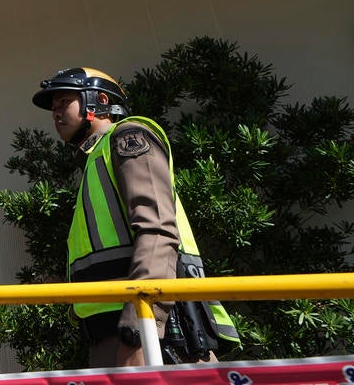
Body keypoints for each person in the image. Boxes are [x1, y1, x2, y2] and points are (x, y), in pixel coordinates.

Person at [31, 67, 237, 368]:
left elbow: (158, 231)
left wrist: (139, 329)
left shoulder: (129, 137)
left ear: (99, 101)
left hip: (153, 330)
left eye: (64, 102)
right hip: (111, 329)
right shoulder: (95, 161)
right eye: (53, 108)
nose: (56, 113)